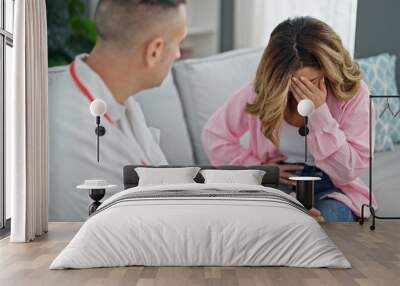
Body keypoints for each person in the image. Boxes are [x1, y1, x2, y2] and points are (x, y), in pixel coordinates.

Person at [201, 17, 376, 223]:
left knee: (324, 226)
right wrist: (258, 167)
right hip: (277, 182)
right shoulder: (260, 92)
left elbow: (348, 172)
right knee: (257, 225)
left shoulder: (353, 95)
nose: (301, 91)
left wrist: (319, 113)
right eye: (292, 83)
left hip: (332, 187)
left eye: (313, 81)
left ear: (329, 71)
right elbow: (214, 135)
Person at [49, 0, 187, 221]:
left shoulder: (120, 100)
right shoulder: (80, 139)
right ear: (155, 51)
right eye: (178, 43)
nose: (179, 54)